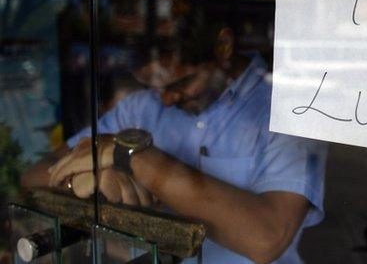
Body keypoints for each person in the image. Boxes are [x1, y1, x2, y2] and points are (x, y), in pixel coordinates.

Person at [21, 27, 328, 264]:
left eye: (181, 83)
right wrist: (90, 181)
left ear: (224, 46)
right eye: (157, 88)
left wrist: (128, 156)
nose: (167, 99)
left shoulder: (290, 111)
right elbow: (34, 176)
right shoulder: (141, 108)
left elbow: (267, 238)